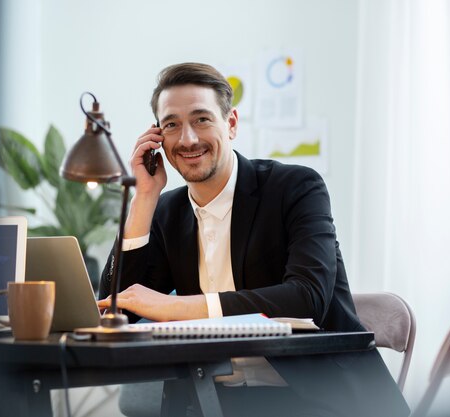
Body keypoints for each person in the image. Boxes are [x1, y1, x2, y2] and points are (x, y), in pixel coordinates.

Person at [99, 62, 408, 417]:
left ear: (230, 124)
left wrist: (176, 308)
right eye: (172, 124)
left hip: (317, 400)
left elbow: (308, 298)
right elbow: (116, 306)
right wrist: (144, 199)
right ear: (158, 137)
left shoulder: (295, 188)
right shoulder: (167, 211)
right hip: (209, 401)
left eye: (202, 119)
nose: (187, 139)